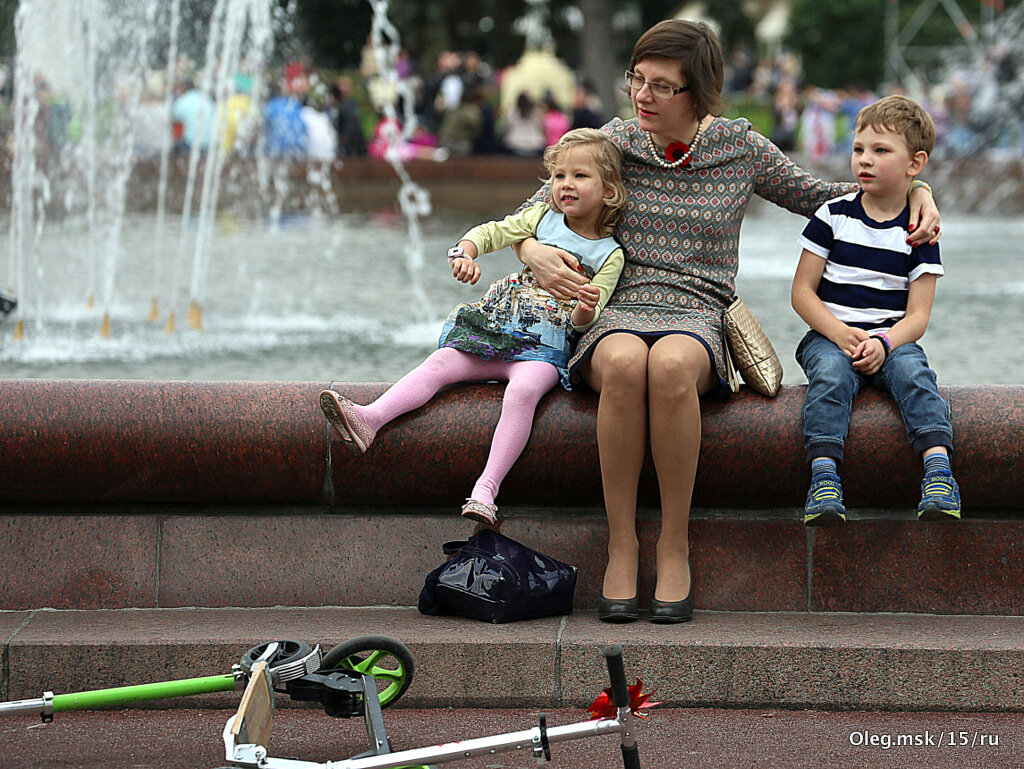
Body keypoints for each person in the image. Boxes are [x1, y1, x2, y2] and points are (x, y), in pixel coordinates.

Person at [513, 20, 942, 625]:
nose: (642, 96)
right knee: (625, 360)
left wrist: (915, 188)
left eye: (662, 86)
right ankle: (621, 543)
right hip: (618, 305)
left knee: (668, 365)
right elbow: (531, 214)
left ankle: (673, 544)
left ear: (699, 93)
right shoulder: (614, 141)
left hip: (697, 310)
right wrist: (531, 253)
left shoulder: (738, 146)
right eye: (637, 79)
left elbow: (818, 195)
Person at [319, 129, 627, 528]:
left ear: (609, 191)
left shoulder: (610, 254)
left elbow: (587, 315)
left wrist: (585, 309)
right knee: (441, 363)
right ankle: (369, 419)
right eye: (559, 176)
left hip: (544, 347)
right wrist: (465, 250)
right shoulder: (542, 218)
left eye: (580, 176)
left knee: (523, 392)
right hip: (498, 327)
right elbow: (493, 232)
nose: (566, 185)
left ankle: (486, 488)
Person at [791, 95, 958, 526]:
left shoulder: (919, 231)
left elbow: (918, 317)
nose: (864, 160)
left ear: (914, 164)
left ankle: (938, 472)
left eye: (881, 151)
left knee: (915, 376)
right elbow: (803, 293)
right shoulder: (833, 216)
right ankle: (824, 478)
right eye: (858, 149)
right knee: (829, 378)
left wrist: (884, 342)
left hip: (891, 338)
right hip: (831, 337)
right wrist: (842, 334)